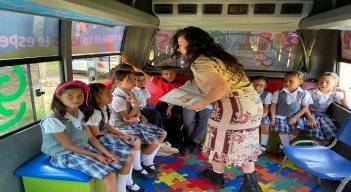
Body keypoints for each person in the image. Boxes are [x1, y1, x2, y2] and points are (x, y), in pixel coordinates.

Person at [172, 26, 263, 191]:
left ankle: (217, 176)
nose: (179, 48)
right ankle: (251, 182)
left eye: (180, 44)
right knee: (246, 142)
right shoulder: (221, 57)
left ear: (193, 44)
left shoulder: (200, 62)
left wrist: (200, 103)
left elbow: (221, 89)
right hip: (253, 104)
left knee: (218, 142)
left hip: (233, 107)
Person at [40, 80, 132, 192]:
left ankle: (122, 187)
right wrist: (95, 155)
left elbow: (91, 137)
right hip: (64, 155)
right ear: (59, 97)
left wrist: (107, 153)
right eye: (70, 96)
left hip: (82, 147)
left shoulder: (78, 112)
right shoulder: (53, 119)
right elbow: (68, 146)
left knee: (123, 157)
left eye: (80, 96)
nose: (76, 99)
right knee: (109, 175)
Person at [86, 83, 146, 192]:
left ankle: (128, 181)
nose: (111, 95)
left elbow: (107, 125)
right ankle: (123, 187)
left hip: (104, 135)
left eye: (110, 92)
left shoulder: (104, 107)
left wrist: (122, 134)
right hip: (99, 139)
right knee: (129, 153)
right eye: (107, 94)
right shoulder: (93, 113)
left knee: (134, 141)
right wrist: (118, 136)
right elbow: (96, 134)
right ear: (96, 98)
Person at [109, 69, 167, 175]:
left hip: (134, 123)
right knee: (153, 142)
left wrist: (139, 116)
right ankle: (138, 165)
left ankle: (146, 161)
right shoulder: (117, 98)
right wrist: (136, 106)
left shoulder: (130, 91)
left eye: (134, 79)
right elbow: (127, 118)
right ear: (118, 82)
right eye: (130, 79)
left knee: (163, 133)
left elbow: (136, 113)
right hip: (122, 127)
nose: (134, 82)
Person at [122, 56, 184, 149]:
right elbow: (143, 74)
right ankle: (165, 139)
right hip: (161, 104)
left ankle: (178, 143)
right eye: (166, 74)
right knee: (163, 118)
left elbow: (177, 98)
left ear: (175, 74)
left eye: (171, 73)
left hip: (174, 104)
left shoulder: (178, 85)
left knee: (176, 118)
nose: (169, 76)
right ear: (162, 75)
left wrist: (170, 107)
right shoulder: (158, 81)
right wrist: (129, 64)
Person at [132, 71, 179, 156]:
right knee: (155, 113)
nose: (141, 82)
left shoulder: (144, 88)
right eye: (138, 80)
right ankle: (157, 140)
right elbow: (134, 106)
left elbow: (147, 100)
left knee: (161, 114)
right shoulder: (133, 91)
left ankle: (162, 140)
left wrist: (147, 107)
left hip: (145, 107)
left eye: (143, 80)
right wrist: (142, 113)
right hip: (138, 109)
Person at [270, 71, 313, 152]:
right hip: (281, 116)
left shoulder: (305, 93)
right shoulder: (278, 92)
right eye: (285, 81)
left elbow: (304, 108)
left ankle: (282, 145)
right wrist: (273, 118)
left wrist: (294, 118)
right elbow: (273, 106)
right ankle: (287, 149)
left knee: (297, 129)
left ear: (300, 82)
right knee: (283, 129)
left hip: (296, 116)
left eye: (291, 81)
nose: (287, 83)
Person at [305, 72, 349, 145]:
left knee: (331, 132)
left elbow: (346, 105)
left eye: (327, 82)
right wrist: (310, 118)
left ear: (333, 84)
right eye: (321, 82)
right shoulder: (310, 92)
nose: (323, 84)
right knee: (315, 130)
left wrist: (344, 92)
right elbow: (305, 107)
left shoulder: (334, 94)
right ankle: (315, 147)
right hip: (309, 115)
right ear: (318, 81)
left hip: (323, 116)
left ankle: (324, 146)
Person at [180, 79, 212, 156]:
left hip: (206, 104)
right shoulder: (189, 82)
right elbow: (183, 94)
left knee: (206, 120)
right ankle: (191, 142)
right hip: (190, 103)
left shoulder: (211, 82)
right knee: (188, 119)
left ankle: (194, 142)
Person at [251, 76, 273, 156]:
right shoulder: (247, 93)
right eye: (255, 84)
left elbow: (266, 108)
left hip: (261, 114)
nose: (257, 87)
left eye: (261, 85)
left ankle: (263, 146)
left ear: (265, 86)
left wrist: (262, 115)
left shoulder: (268, 94)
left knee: (265, 124)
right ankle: (251, 146)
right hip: (249, 114)